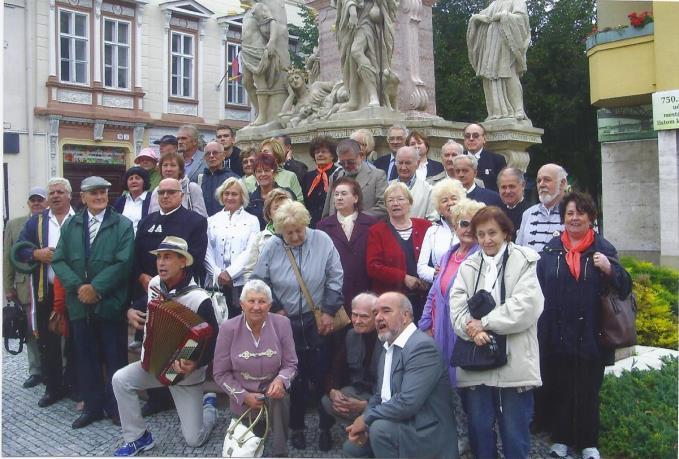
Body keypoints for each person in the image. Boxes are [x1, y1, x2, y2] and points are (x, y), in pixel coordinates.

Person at [535, 192, 631, 459]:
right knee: (561, 386)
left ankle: (588, 443)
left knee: (588, 389)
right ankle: (561, 439)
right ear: (563, 218)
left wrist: (610, 270)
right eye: (569, 213)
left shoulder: (603, 248)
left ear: (591, 217)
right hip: (557, 333)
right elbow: (538, 287)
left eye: (580, 212)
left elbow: (625, 287)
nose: (575, 218)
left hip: (592, 333)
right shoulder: (551, 250)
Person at [450, 206, 544, 459]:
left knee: (514, 433)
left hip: (514, 362)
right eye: (480, 234)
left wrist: (486, 323)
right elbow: (456, 307)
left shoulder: (525, 260)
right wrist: (474, 331)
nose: (486, 239)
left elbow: (527, 305)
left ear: (505, 232)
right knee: (479, 430)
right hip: (476, 363)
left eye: (492, 232)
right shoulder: (469, 265)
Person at [111, 236, 218, 456]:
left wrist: (192, 361)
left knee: (194, 440)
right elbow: (146, 304)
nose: (161, 263)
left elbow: (211, 340)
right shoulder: (154, 285)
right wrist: (130, 310)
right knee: (120, 379)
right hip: (154, 364)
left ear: (182, 262)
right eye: (159, 257)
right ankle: (138, 437)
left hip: (184, 374)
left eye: (167, 257)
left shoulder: (199, 299)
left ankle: (209, 407)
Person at [251, 201, 344, 450]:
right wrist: (276, 306)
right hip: (285, 322)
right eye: (288, 232)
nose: (294, 236)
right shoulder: (272, 246)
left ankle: (326, 428)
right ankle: (297, 427)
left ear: (306, 224)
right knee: (294, 377)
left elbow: (335, 276)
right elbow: (259, 280)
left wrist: (328, 312)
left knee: (322, 374)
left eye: (298, 231)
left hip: (318, 321)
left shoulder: (322, 240)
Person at [52, 176, 134, 429]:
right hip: (79, 305)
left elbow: (124, 263)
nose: (100, 197)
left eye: (104, 193)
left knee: (114, 358)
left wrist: (97, 289)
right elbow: (59, 260)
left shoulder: (122, 224)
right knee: (85, 358)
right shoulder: (72, 224)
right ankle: (92, 406)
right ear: (83, 197)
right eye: (94, 193)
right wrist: (80, 288)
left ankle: (116, 407)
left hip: (110, 303)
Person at [343, 292, 458, 459]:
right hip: (396, 423)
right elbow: (378, 396)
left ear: (405, 316)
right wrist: (364, 421)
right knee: (352, 448)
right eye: (376, 313)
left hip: (425, 431)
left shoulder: (422, 347)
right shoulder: (388, 346)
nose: (378, 318)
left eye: (386, 311)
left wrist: (367, 418)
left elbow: (408, 402)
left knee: (380, 430)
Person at [131, 178, 209, 416]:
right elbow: (136, 255)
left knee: (180, 344)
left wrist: (170, 279)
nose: (165, 196)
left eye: (170, 192)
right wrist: (143, 276)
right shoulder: (147, 221)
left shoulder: (195, 221)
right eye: (161, 192)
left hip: (182, 291)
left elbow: (195, 256)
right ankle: (156, 397)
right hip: (151, 289)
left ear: (181, 195)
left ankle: (180, 392)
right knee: (154, 342)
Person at [213, 279, 298, 458]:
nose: (257, 307)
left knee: (279, 397)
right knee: (246, 449)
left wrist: (281, 380)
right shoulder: (228, 328)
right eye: (251, 301)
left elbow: (291, 364)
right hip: (243, 395)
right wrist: (243, 396)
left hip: (273, 395)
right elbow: (220, 373)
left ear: (270, 305)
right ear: (241, 304)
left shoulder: (282, 324)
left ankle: (280, 451)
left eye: (262, 301)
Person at [16, 178, 76, 407]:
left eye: (61, 192)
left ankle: (74, 384)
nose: (56, 196)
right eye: (52, 193)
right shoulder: (36, 222)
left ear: (70, 195)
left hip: (74, 290)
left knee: (76, 340)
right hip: (46, 291)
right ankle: (53, 387)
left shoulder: (79, 218)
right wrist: (36, 254)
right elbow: (20, 249)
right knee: (49, 341)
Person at [419, 199, 484, 386]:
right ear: (455, 226)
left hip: (464, 333)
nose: (469, 229)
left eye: (475, 224)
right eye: (464, 223)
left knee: (462, 385)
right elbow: (433, 293)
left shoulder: (481, 258)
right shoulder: (449, 254)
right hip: (439, 329)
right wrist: (425, 325)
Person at [319, 293, 381, 451]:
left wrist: (364, 406)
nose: (357, 321)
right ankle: (362, 429)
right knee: (328, 401)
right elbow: (336, 369)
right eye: (354, 314)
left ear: (376, 316)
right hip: (360, 390)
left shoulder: (387, 339)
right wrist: (332, 390)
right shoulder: (351, 335)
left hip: (382, 399)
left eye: (364, 316)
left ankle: (375, 433)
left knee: (350, 449)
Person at [366, 182, 431, 322]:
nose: (396, 203)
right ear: (386, 206)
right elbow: (373, 267)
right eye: (390, 200)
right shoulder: (377, 231)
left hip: (425, 300)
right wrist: (403, 278)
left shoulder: (426, 227)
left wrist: (428, 279)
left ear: (410, 202)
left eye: (401, 199)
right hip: (392, 301)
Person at [4, 187, 48, 388]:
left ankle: (57, 369)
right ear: (28, 203)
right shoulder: (14, 225)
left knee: (52, 326)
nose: (37, 203)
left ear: (45, 202)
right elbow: (7, 258)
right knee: (30, 328)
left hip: (48, 285)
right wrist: (7, 286)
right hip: (24, 285)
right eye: (33, 200)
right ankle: (36, 369)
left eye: (40, 200)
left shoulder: (51, 221)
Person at [318, 177, 379, 314]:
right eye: (337, 194)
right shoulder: (323, 226)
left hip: (365, 287)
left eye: (344, 194)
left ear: (356, 198)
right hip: (337, 291)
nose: (339, 198)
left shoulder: (372, 224)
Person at [204, 178, 260, 318]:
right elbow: (206, 250)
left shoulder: (252, 220)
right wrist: (218, 274)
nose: (229, 197)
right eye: (226, 193)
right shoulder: (211, 220)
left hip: (240, 283)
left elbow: (251, 251)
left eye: (234, 194)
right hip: (215, 283)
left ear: (242, 197)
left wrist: (230, 273)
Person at [467, 0, 530, 121]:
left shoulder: (517, 2)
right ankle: (496, 111)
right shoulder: (493, 5)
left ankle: (518, 109)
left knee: (509, 75)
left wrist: (503, 15)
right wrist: (476, 19)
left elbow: (522, 20)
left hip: (506, 45)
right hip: (490, 47)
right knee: (490, 78)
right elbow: (480, 18)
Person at [332, 0, 399, 111]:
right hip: (352, 18)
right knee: (351, 61)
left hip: (366, 17)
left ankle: (374, 95)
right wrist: (352, 10)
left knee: (356, 51)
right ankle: (354, 99)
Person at [416, 178, 467, 284]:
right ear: (439, 208)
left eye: (454, 198)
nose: (450, 203)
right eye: (444, 201)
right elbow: (421, 268)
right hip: (440, 287)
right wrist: (434, 273)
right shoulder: (432, 231)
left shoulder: (471, 229)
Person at [323, 138, 388, 219]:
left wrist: (356, 218)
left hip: (366, 228)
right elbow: (328, 210)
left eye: (350, 162)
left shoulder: (377, 176)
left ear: (361, 155)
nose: (346, 166)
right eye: (342, 163)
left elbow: (383, 207)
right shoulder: (335, 176)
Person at [243, 188, 293, 282]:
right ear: (269, 213)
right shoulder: (259, 238)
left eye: (285, 207)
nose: (281, 211)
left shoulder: (301, 235)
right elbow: (250, 271)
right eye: (276, 208)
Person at [516, 163, 568, 252]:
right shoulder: (528, 214)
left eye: (547, 180)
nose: (541, 184)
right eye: (538, 181)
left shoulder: (576, 213)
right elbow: (518, 251)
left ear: (562, 183)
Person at [245, 153, 296, 229]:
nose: (263, 174)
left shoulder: (287, 194)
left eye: (266, 170)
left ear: (274, 173)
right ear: (255, 175)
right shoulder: (250, 200)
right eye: (259, 171)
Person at [149, 152, 208, 217]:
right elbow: (152, 217)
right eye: (165, 165)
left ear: (180, 169)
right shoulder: (157, 191)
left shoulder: (192, 188)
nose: (168, 169)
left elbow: (201, 217)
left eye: (173, 165)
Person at [391, 146, 436, 220]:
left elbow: (432, 220)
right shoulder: (387, 187)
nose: (403, 167)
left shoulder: (428, 190)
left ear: (417, 163)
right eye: (400, 163)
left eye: (408, 163)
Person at [303, 136, 339, 228]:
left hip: (333, 224)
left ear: (333, 155)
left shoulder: (339, 174)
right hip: (312, 225)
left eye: (324, 152)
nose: (320, 155)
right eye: (317, 152)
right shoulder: (307, 176)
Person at [462, 123, 507, 191]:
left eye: (476, 136)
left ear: (484, 139)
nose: (471, 139)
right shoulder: (457, 159)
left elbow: (503, 186)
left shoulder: (497, 160)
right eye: (467, 136)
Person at [199, 141, 239, 216]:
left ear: (223, 155)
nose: (211, 156)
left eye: (215, 153)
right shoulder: (199, 179)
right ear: (204, 157)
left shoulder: (233, 180)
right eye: (208, 153)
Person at [113, 166, 152, 235]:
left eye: (137, 178)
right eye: (131, 179)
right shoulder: (120, 201)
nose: (134, 181)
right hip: (123, 242)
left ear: (144, 181)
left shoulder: (152, 198)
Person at [497, 167, 531, 241]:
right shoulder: (495, 212)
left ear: (523, 185)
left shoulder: (531, 213)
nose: (508, 191)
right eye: (503, 187)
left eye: (512, 186)